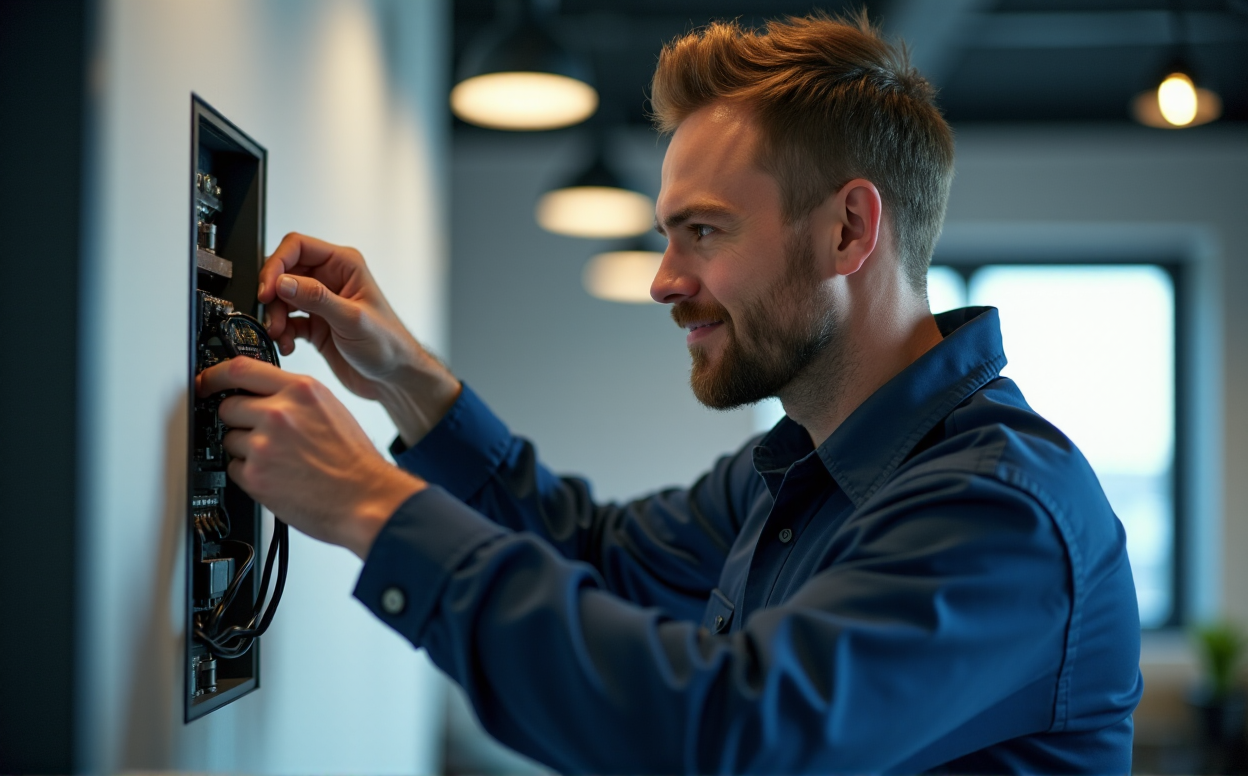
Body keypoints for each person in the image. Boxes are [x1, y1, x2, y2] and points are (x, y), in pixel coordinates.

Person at [196, 12, 1142, 774]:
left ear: (850, 231)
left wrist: (369, 503)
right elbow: (595, 556)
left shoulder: (1001, 512)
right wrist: (408, 380)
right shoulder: (794, 471)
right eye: (667, 233)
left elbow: (730, 736)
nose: (663, 278)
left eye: (705, 231)